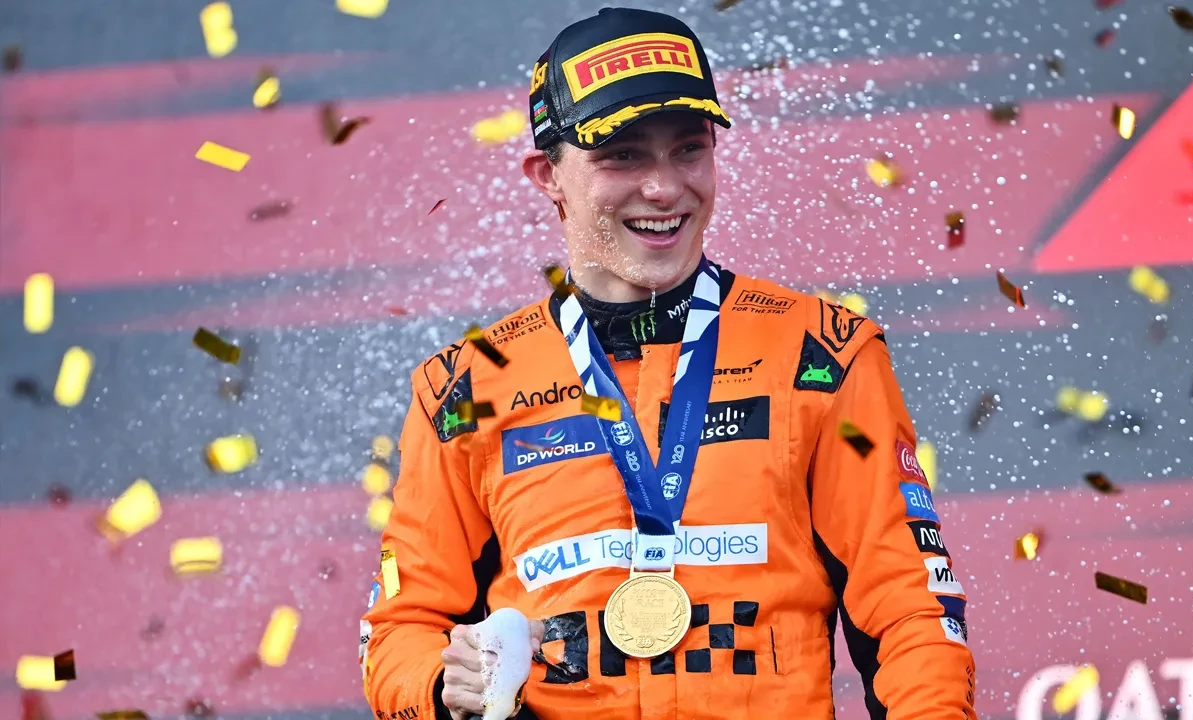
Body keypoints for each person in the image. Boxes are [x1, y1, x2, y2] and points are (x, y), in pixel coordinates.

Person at [362, 7, 977, 720]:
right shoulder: (467, 385)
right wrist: (442, 687)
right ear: (547, 175)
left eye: (688, 149)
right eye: (622, 156)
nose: (663, 188)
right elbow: (398, 631)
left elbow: (911, 610)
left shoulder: (821, 353)